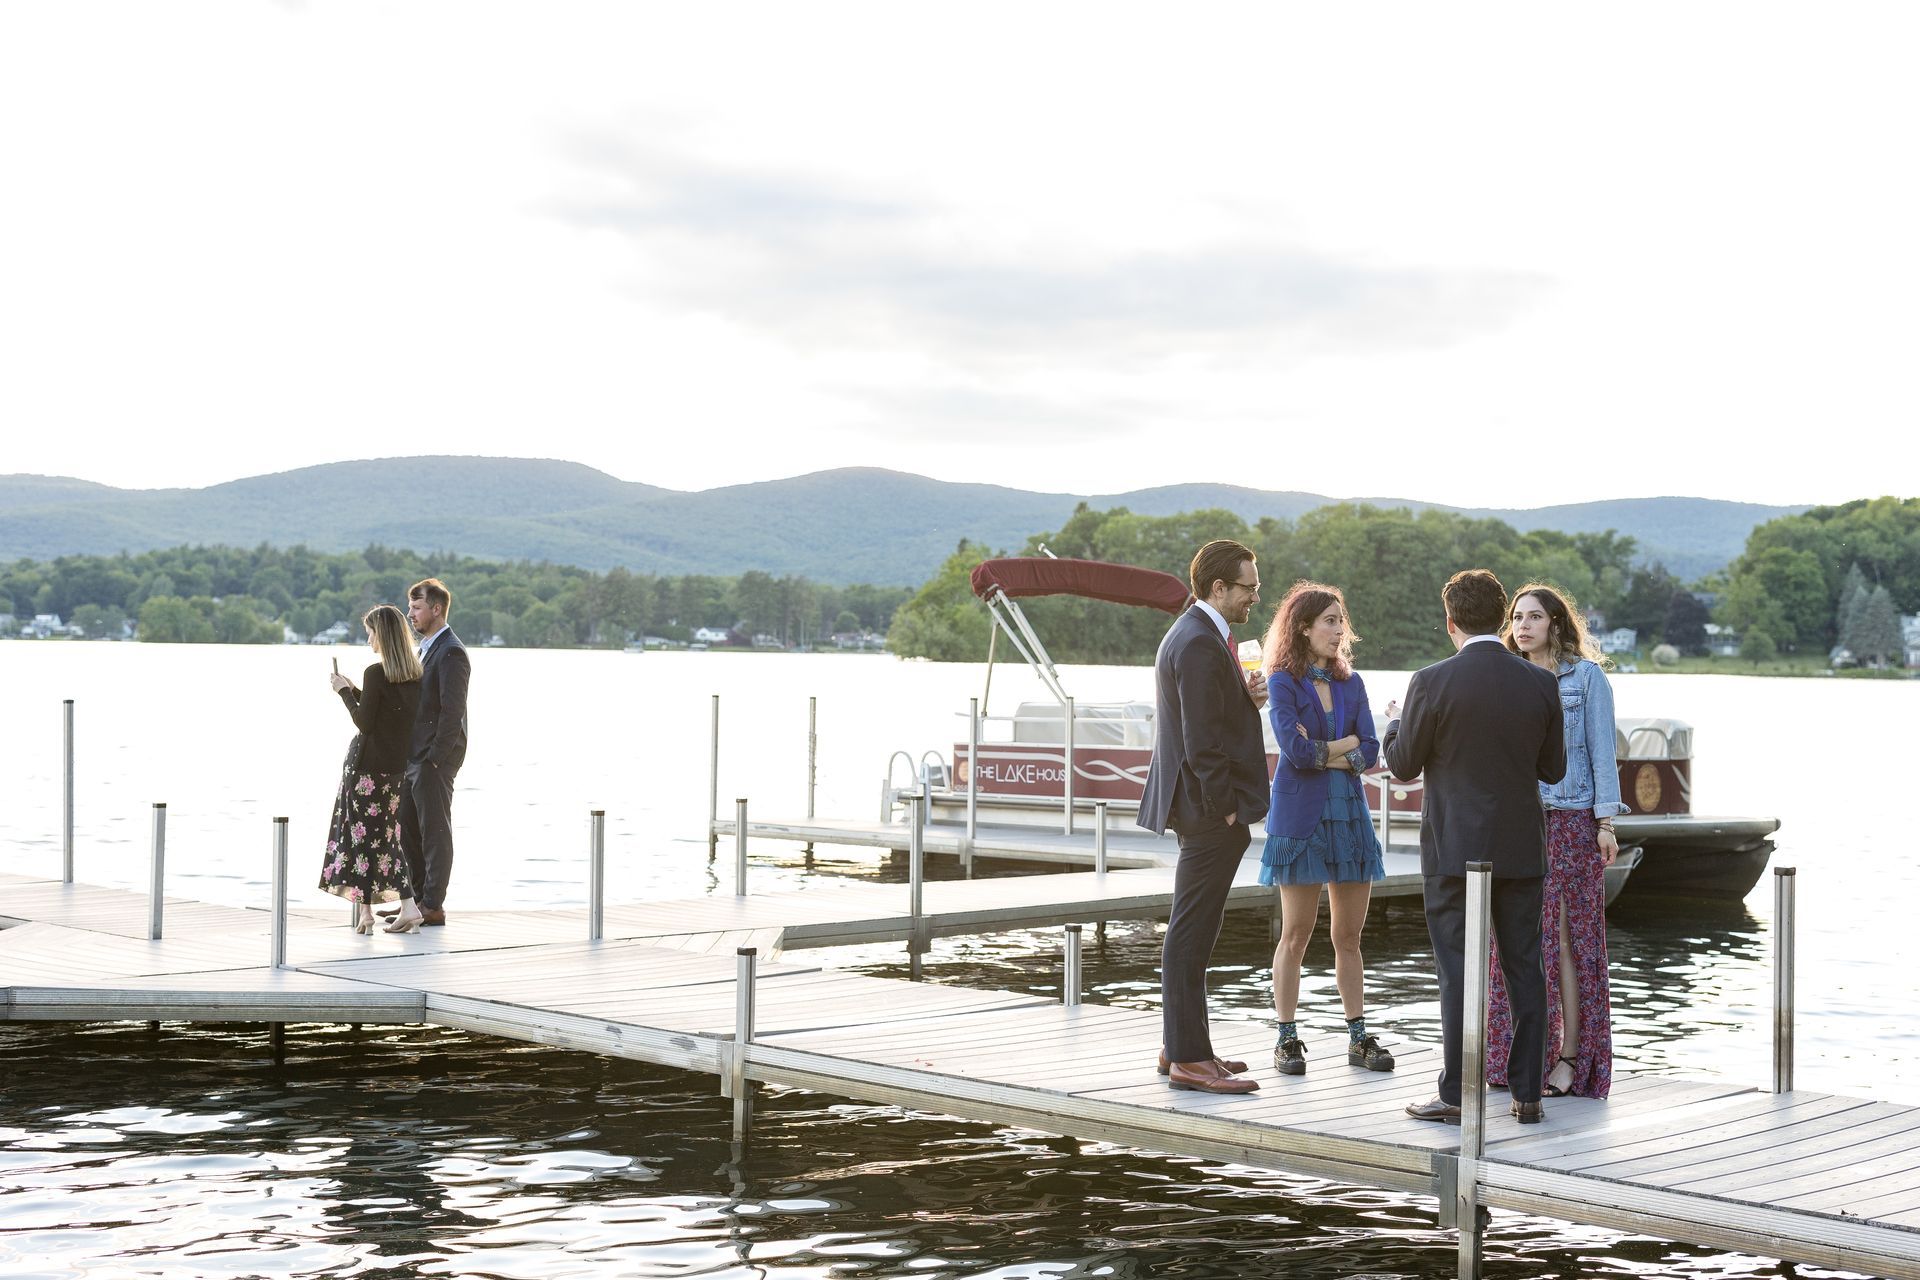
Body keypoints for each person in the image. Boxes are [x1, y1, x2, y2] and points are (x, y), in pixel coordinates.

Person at [1383, 569, 1565, 1125]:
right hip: (1518, 846)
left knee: (1457, 969)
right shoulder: (1539, 683)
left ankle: (1458, 1092)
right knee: (1524, 967)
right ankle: (1527, 1093)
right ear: (1502, 615)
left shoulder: (1430, 682)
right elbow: (1553, 770)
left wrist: (1394, 726)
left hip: (1453, 848)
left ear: (1451, 622)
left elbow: (1404, 764)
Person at [1138, 539, 1270, 1095]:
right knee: (1191, 930)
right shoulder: (1196, 641)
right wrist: (1227, 808)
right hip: (1207, 809)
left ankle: (1183, 1043)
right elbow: (1200, 742)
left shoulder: (1200, 635)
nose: (1254, 597)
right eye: (1248, 587)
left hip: (1201, 805)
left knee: (1196, 926)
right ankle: (1190, 1058)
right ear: (1219, 587)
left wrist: (1247, 700)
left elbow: (1211, 717)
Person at [1486, 584, 1622, 1099]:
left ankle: (1570, 1057)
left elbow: (1602, 752)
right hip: (1519, 820)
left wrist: (1605, 824)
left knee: (1569, 940)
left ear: (1556, 624)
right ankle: (1514, 1057)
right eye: (1517, 617)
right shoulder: (1508, 675)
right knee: (1516, 942)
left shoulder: (1585, 678)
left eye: (1534, 617)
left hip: (1570, 821)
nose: (1522, 625)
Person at [1259, 582, 1393, 1077]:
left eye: (1342, 621)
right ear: (1302, 627)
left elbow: (1372, 749)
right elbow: (1296, 754)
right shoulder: (1280, 682)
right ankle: (1287, 1039)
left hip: (1350, 816)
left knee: (1350, 936)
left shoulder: (1351, 683)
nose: (1339, 630)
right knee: (1295, 933)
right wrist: (1345, 746)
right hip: (1300, 819)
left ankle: (1358, 1038)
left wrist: (1328, 750)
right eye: (1329, 622)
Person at [323, 604, 427, 934]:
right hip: (394, 769)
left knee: (359, 838)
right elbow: (388, 715)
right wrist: (355, 690)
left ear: (382, 634)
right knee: (381, 838)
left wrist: (343, 693)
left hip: (365, 769)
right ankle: (370, 913)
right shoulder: (414, 675)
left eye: (370, 631)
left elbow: (365, 723)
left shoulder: (376, 672)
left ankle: (396, 908)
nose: (368, 638)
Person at [389, 577, 470, 927]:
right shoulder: (423, 648)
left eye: (417, 607)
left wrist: (435, 757)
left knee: (434, 831)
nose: (411, 614)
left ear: (436, 609)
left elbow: (453, 712)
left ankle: (433, 905)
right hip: (414, 756)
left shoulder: (451, 651)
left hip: (434, 758)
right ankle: (415, 902)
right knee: (408, 830)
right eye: (409, 607)